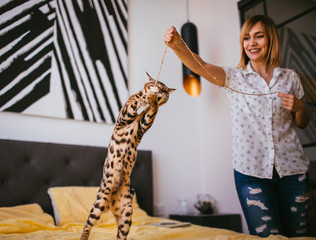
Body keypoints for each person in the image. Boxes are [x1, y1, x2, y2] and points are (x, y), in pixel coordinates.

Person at [164, 15, 310, 237]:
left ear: (270, 39)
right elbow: (200, 64)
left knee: (299, 237)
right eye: (246, 38)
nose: (251, 43)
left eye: (258, 36)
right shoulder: (233, 77)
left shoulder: (290, 78)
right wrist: (177, 45)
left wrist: (299, 107)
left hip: (293, 170)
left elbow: (303, 122)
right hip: (251, 172)